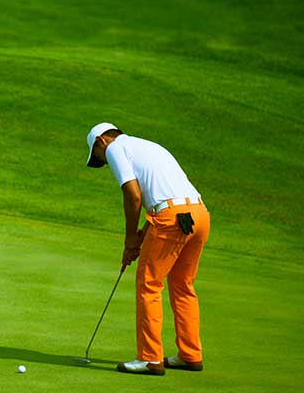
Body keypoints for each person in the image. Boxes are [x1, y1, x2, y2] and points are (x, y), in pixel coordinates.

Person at [85, 122, 210, 376]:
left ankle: (150, 358)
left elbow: (133, 196)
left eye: (98, 157)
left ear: (101, 141)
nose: (104, 162)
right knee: (182, 284)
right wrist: (141, 237)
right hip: (198, 214)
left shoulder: (115, 148)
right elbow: (162, 197)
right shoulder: (148, 146)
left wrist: (130, 238)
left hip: (171, 218)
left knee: (149, 284)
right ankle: (190, 354)